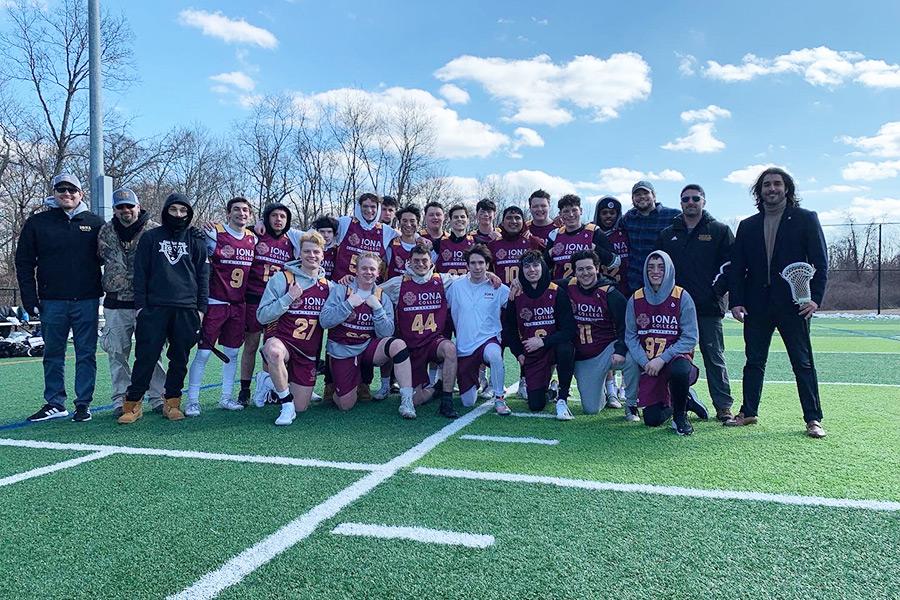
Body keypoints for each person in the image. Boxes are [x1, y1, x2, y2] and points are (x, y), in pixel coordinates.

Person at [727, 167, 828, 438]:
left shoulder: (806, 219)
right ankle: (748, 412)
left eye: (777, 184)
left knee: (802, 363)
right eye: (766, 185)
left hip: (794, 305)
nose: (771, 188)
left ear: (787, 188)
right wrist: (736, 301)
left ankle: (813, 419)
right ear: (759, 191)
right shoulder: (747, 225)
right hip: (756, 305)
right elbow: (737, 267)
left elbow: (820, 262)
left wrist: (815, 299)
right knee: (754, 361)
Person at [16, 173, 104, 423]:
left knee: (86, 354)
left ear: (81, 194)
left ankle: (83, 404)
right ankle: (55, 403)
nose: (67, 194)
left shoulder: (95, 223)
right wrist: (29, 298)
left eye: (72, 190)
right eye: (61, 189)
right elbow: (24, 262)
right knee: (53, 354)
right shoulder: (37, 223)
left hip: (87, 300)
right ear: (54, 193)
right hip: (51, 301)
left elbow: (111, 258)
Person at [117, 193, 209, 424]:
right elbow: (140, 273)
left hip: (186, 309)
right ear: (166, 211)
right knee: (145, 358)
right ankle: (133, 404)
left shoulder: (196, 239)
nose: (178, 214)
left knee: (179, 359)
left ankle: (172, 403)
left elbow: (203, 276)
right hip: (154, 308)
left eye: (183, 210)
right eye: (173, 210)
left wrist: (201, 309)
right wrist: (141, 307)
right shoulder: (150, 237)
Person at [655, 185, 736, 421]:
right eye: (685, 199)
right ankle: (671, 402)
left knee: (714, 356)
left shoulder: (719, 230)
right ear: (680, 203)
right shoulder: (668, 233)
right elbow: (659, 269)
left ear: (704, 201)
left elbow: (730, 266)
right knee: (671, 357)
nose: (690, 202)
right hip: (673, 309)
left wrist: (714, 291)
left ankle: (723, 406)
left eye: (695, 198)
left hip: (707, 307)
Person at [319, 252, 417, 416]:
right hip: (344, 350)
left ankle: (407, 401)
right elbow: (324, 321)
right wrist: (348, 304)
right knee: (345, 405)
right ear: (356, 270)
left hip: (367, 349)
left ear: (378, 273)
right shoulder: (342, 290)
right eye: (364, 268)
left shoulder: (382, 296)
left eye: (372, 269)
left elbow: (387, 333)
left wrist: (377, 309)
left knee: (398, 345)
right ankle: (344, 384)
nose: (368, 272)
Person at [98, 188, 165, 417]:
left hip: (147, 302)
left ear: (138, 206)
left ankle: (159, 397)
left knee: (152, 353)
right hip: (116, 302)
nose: (125, 210)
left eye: (129, 206)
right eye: (120, 207)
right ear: (114, 209)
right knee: (117, 354)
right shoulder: (104, 231)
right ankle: (122, 399)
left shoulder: (155, 231)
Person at [186, 197, 256, 416]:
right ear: (228, 213)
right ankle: (192, 400)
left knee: (232, 353)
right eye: (236, 209)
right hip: (216, 302)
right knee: (204, 353)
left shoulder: (253, 238)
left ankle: (226, 397)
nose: (241, 213)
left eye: (245, 210)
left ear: (250, 215)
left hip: (238, 305)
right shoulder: (214, 232)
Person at [625, 251, 708, 435]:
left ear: (669, 269)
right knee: (652, 420)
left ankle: (680, 416)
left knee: (680, 369)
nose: (655, 271)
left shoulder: (682, 296)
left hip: (673, 359)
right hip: (649, 364)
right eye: (651, 267)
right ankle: (685, 400)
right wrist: (645, 362)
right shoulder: (636, 299)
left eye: (661, 267)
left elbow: (690, 338)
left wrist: (662, 359)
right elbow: (630, 336)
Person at [256, 231, 331, 425]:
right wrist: (288, 298)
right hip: (284, 342)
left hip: (308, 352)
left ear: (323, 255)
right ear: (299, 253)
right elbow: (262, 316)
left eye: (316, 252)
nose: (312, 255)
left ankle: (267, 381)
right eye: (307, 251)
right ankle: (286, 405)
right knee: (273, 352)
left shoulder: (329, 287)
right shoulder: (283, 278)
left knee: (302, 407)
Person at [381, 244, 461, 418]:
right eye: (416, 261)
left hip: (433, 341)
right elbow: (374, 290)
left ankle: (447, 400)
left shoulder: (443, 280)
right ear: (409, 262)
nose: (420, 264)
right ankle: (436, 388)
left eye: (424, 260)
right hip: (410, 347)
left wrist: (490, 275)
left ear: (431, 261)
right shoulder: (398, 283)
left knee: (450, 349)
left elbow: (470, 279)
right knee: (416, 400)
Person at [503, 250, 577, 420]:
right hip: (533, 352)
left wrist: (543, 341)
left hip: (553, 346)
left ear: (543, 266)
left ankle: (562, 398)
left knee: (566, 348)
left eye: (536, 265)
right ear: (521, 270)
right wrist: (518, 353)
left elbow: (569, 330)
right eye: (527, 266)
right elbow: (510, 327)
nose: (532, 270)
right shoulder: (517, 294)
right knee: (535, 405)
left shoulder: (557, 292)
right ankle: (551, 390)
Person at [566, 250, 637, 416]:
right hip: (585, 357)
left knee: (632, 359)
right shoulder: (569, 286)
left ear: (597, 268)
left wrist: (620, 350)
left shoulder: (610, 293)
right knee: (591, 409)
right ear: (574, 271)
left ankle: (632, 404)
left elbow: (627, 327)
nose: (585, 273)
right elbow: (543, 283)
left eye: (589, 268)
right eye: (580, 269)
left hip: (608, 350)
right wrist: (519, 282)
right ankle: (603, 391)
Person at [237, 203, 295, 406]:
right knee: (251, 345)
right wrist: (256, 224)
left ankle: (269, 388)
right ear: (267, 218)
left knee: (270, 347)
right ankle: (244, 389)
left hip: (276, 302)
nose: (278, 219)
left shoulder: (292, 242)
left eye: (283, 216)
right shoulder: (255, 235)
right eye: (274, 215)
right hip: (254, 297)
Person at [445, 244, 512, 415]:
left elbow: (517, 299)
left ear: (487, 265)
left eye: (481, 263)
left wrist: (517, 282)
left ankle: (499, 398)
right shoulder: (456, 286)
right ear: (467, 265)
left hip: (488, 339)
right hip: (465, 346)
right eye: (473, 263)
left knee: (495, 355)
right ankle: (479, 381)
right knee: (468, 402)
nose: (477, 267)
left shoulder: (497, 287)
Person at [489, 205, 544, 398]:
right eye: (509, 218)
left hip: (526, 301)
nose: (513, 221)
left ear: (523, 221)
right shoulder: (494, 244)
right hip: (499, 302)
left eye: (517, 218)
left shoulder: (532, 241)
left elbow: (545, 265)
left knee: (525, 340)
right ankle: (493, 381)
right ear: (502, 222)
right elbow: (484, 267)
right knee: (498, 340)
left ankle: (525, 379)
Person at [593, 195, 631, 404]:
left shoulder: (625, 233)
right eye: (604, 213)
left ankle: (625, 384)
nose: (608, 216)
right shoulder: (591, 234)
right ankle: (610, 386)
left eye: (612, 213)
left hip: (624, 291)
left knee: (626, 337)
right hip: (600, 294)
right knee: (606, 338)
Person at [620, 180, 681, 293]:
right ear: (632, 199)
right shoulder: (628, 218)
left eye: (646, 193)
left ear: (654, 196)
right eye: (637, 194)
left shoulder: (673, 215)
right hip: (634, 283)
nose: (642, 197)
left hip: (662, 283)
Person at [546, 194, 618, 280]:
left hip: (588, 287)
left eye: (574, 210)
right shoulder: (555, 235)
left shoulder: (594, 232)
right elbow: (543, 267)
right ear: (560, 214)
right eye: (566, 211)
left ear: (581, 211)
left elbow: (615, 262)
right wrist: (549, 253)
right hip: (560, 287)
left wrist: (593, 248)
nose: (571, 215)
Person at [330, 193, 399, 282]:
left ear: (378, 208)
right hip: (341, 283)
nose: (369, 210)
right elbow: (321, 229)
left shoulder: (386, 230)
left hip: (369, 286)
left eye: (373, 207)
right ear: (359, 207)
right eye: (365, 206)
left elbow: (407, 239)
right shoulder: (345, 222)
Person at [433, 204, 475, 275]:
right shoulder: (438, 243)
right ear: (450, 221)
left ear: (468, 220)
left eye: (462, 217)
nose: (459, 219)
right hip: (445, 282)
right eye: (456, 217)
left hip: (468, 282)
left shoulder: (475, 242)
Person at [313, 215, 338, 280]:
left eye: (329, 232)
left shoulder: (339, 250)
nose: (326, 235)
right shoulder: (310, 249)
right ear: (317, 232)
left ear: (334, 233)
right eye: (322, 231)